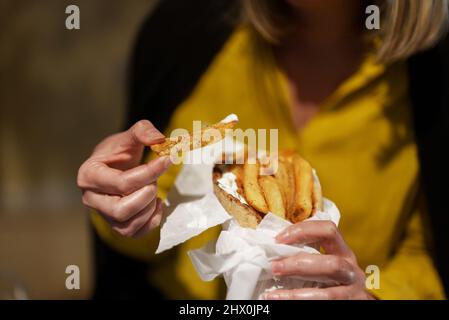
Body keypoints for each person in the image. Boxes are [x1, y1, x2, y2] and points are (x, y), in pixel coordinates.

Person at [77, 0, 449, 299]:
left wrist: (367, 296)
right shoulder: (182, 34)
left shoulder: (432, 75)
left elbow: (426, 256)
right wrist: (121, 196)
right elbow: (154, 222)